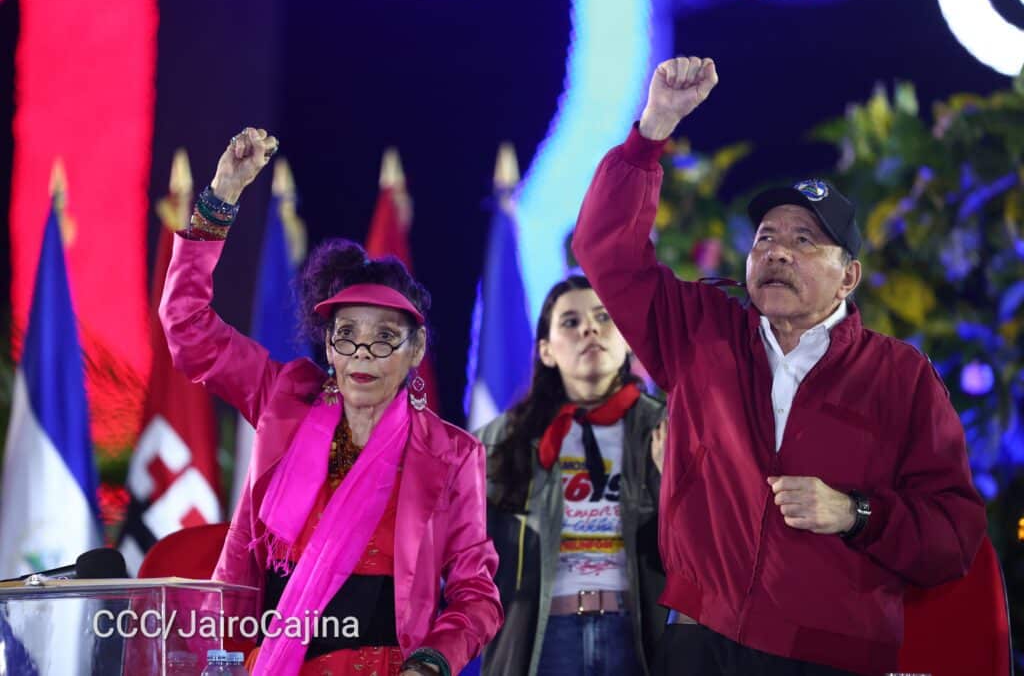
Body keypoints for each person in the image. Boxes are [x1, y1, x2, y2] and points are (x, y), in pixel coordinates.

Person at [570, 57, 987, 676]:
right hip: (698, 640)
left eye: (804, 241)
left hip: (831, 655)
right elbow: (605, 251)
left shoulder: (901, 377)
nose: (777, 253)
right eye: (765, 237)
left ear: (849, 277)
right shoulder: (701, 330)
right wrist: (652, 129)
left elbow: (954, 533)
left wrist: (855, 513)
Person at [159, 127, 502, 676]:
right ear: (329, 347)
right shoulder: (284, 400)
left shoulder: (453, 454)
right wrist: (220, 198)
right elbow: (187, 327)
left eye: (385, 336)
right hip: (271, 661)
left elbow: (476, 594)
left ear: (415, 351)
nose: (363, 352)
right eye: (347, 334)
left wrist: (433, 663)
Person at [477, 275, 668, 676]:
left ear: (627, 338)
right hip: (544, 637)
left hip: (636, 635)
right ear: (546, 351)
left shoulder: (668, 428)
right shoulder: (500, 440)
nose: (590, 329)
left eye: (603, 317)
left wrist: (675, 478)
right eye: (570, 322)